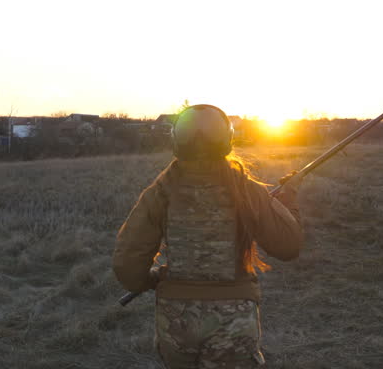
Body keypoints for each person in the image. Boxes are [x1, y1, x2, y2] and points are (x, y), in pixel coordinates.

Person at [113, 104, 304, 368]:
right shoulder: (248, 190)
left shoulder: (159, 193)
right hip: (234, 323)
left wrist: (152, 278)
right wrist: (289, 201)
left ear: (176, 141)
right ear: (227, 140)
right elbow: (288, 246)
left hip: (176, 322)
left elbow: (127, 266)